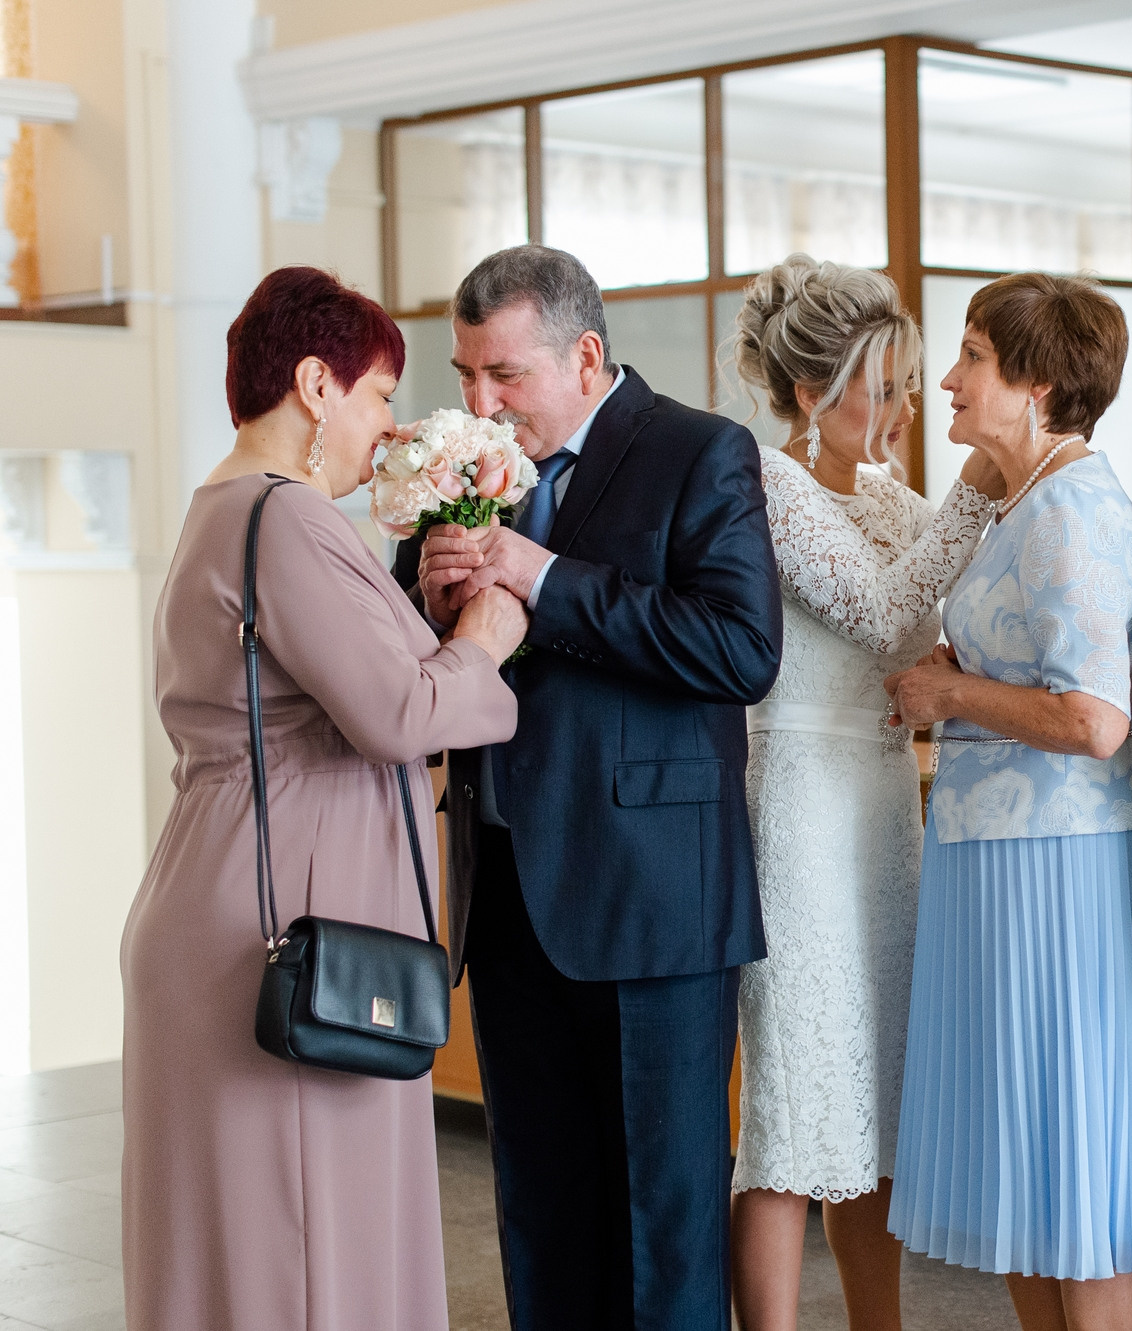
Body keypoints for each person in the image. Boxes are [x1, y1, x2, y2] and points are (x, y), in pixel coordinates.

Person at [122, 266, 525, 1331]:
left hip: (236, 885)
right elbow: (393, 713)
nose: (387, 427)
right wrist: (480, 643)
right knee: (303, 1235)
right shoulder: (283, 516)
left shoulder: (228, 510)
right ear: (314, 383)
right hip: (289, 907)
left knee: (266, 1232)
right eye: (380, 393)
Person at [397, 245, 784, 1330]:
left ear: (585, 352)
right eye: (465, 372)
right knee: (539, 1205)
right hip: (511, 886)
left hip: (654, 900)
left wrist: (541, 576)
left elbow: (740, 649)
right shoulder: (469, 463)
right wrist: (428, 598)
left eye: (503, 375)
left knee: (664, 1224)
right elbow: (427, 653)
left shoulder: (699, 452)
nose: (478, 402)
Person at [882, 272, 1132, 1331]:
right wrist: (958, 663)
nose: (949, 379)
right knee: (1018, 1154)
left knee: (1073, 1144)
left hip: (1056, 867)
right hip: (992, 854)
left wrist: (947, 690)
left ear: (1040, 382)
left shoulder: (1074, 511)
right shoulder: (1021, 501)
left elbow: (1096, 718)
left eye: (971, 355)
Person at [725, 254, 1002, 1331]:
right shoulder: (764, 483)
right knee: (795, 1110)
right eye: (875, 387)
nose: (895, 413)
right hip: (798, 798)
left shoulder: (887, 495)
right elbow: (887, 608)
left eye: (903, 386)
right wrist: (979, 489)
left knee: (875, 1102)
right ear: (808, 392)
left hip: (888, 800)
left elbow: (939, 626)